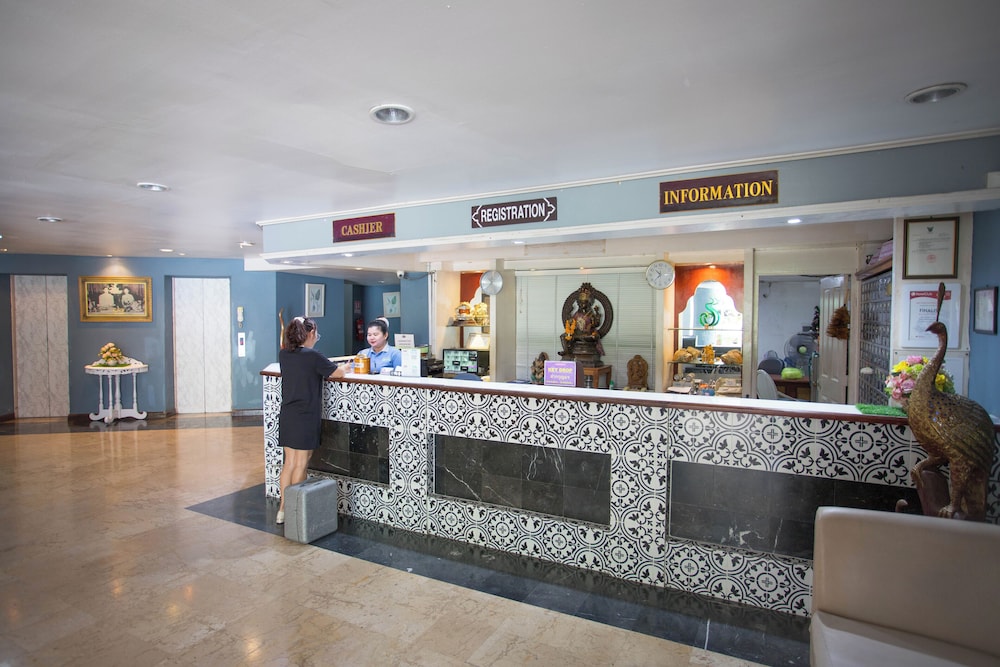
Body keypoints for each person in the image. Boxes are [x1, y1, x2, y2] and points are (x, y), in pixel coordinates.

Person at [276, 316, 346, 524]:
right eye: (316, 334)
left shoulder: (284, 354)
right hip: (306, 415)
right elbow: (338, 373)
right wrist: (346, 367)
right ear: (311, 333)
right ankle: (295, 510)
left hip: (288, 414)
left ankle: (282, 510)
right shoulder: (313, 356)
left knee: (289, 463)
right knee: (301, 464)